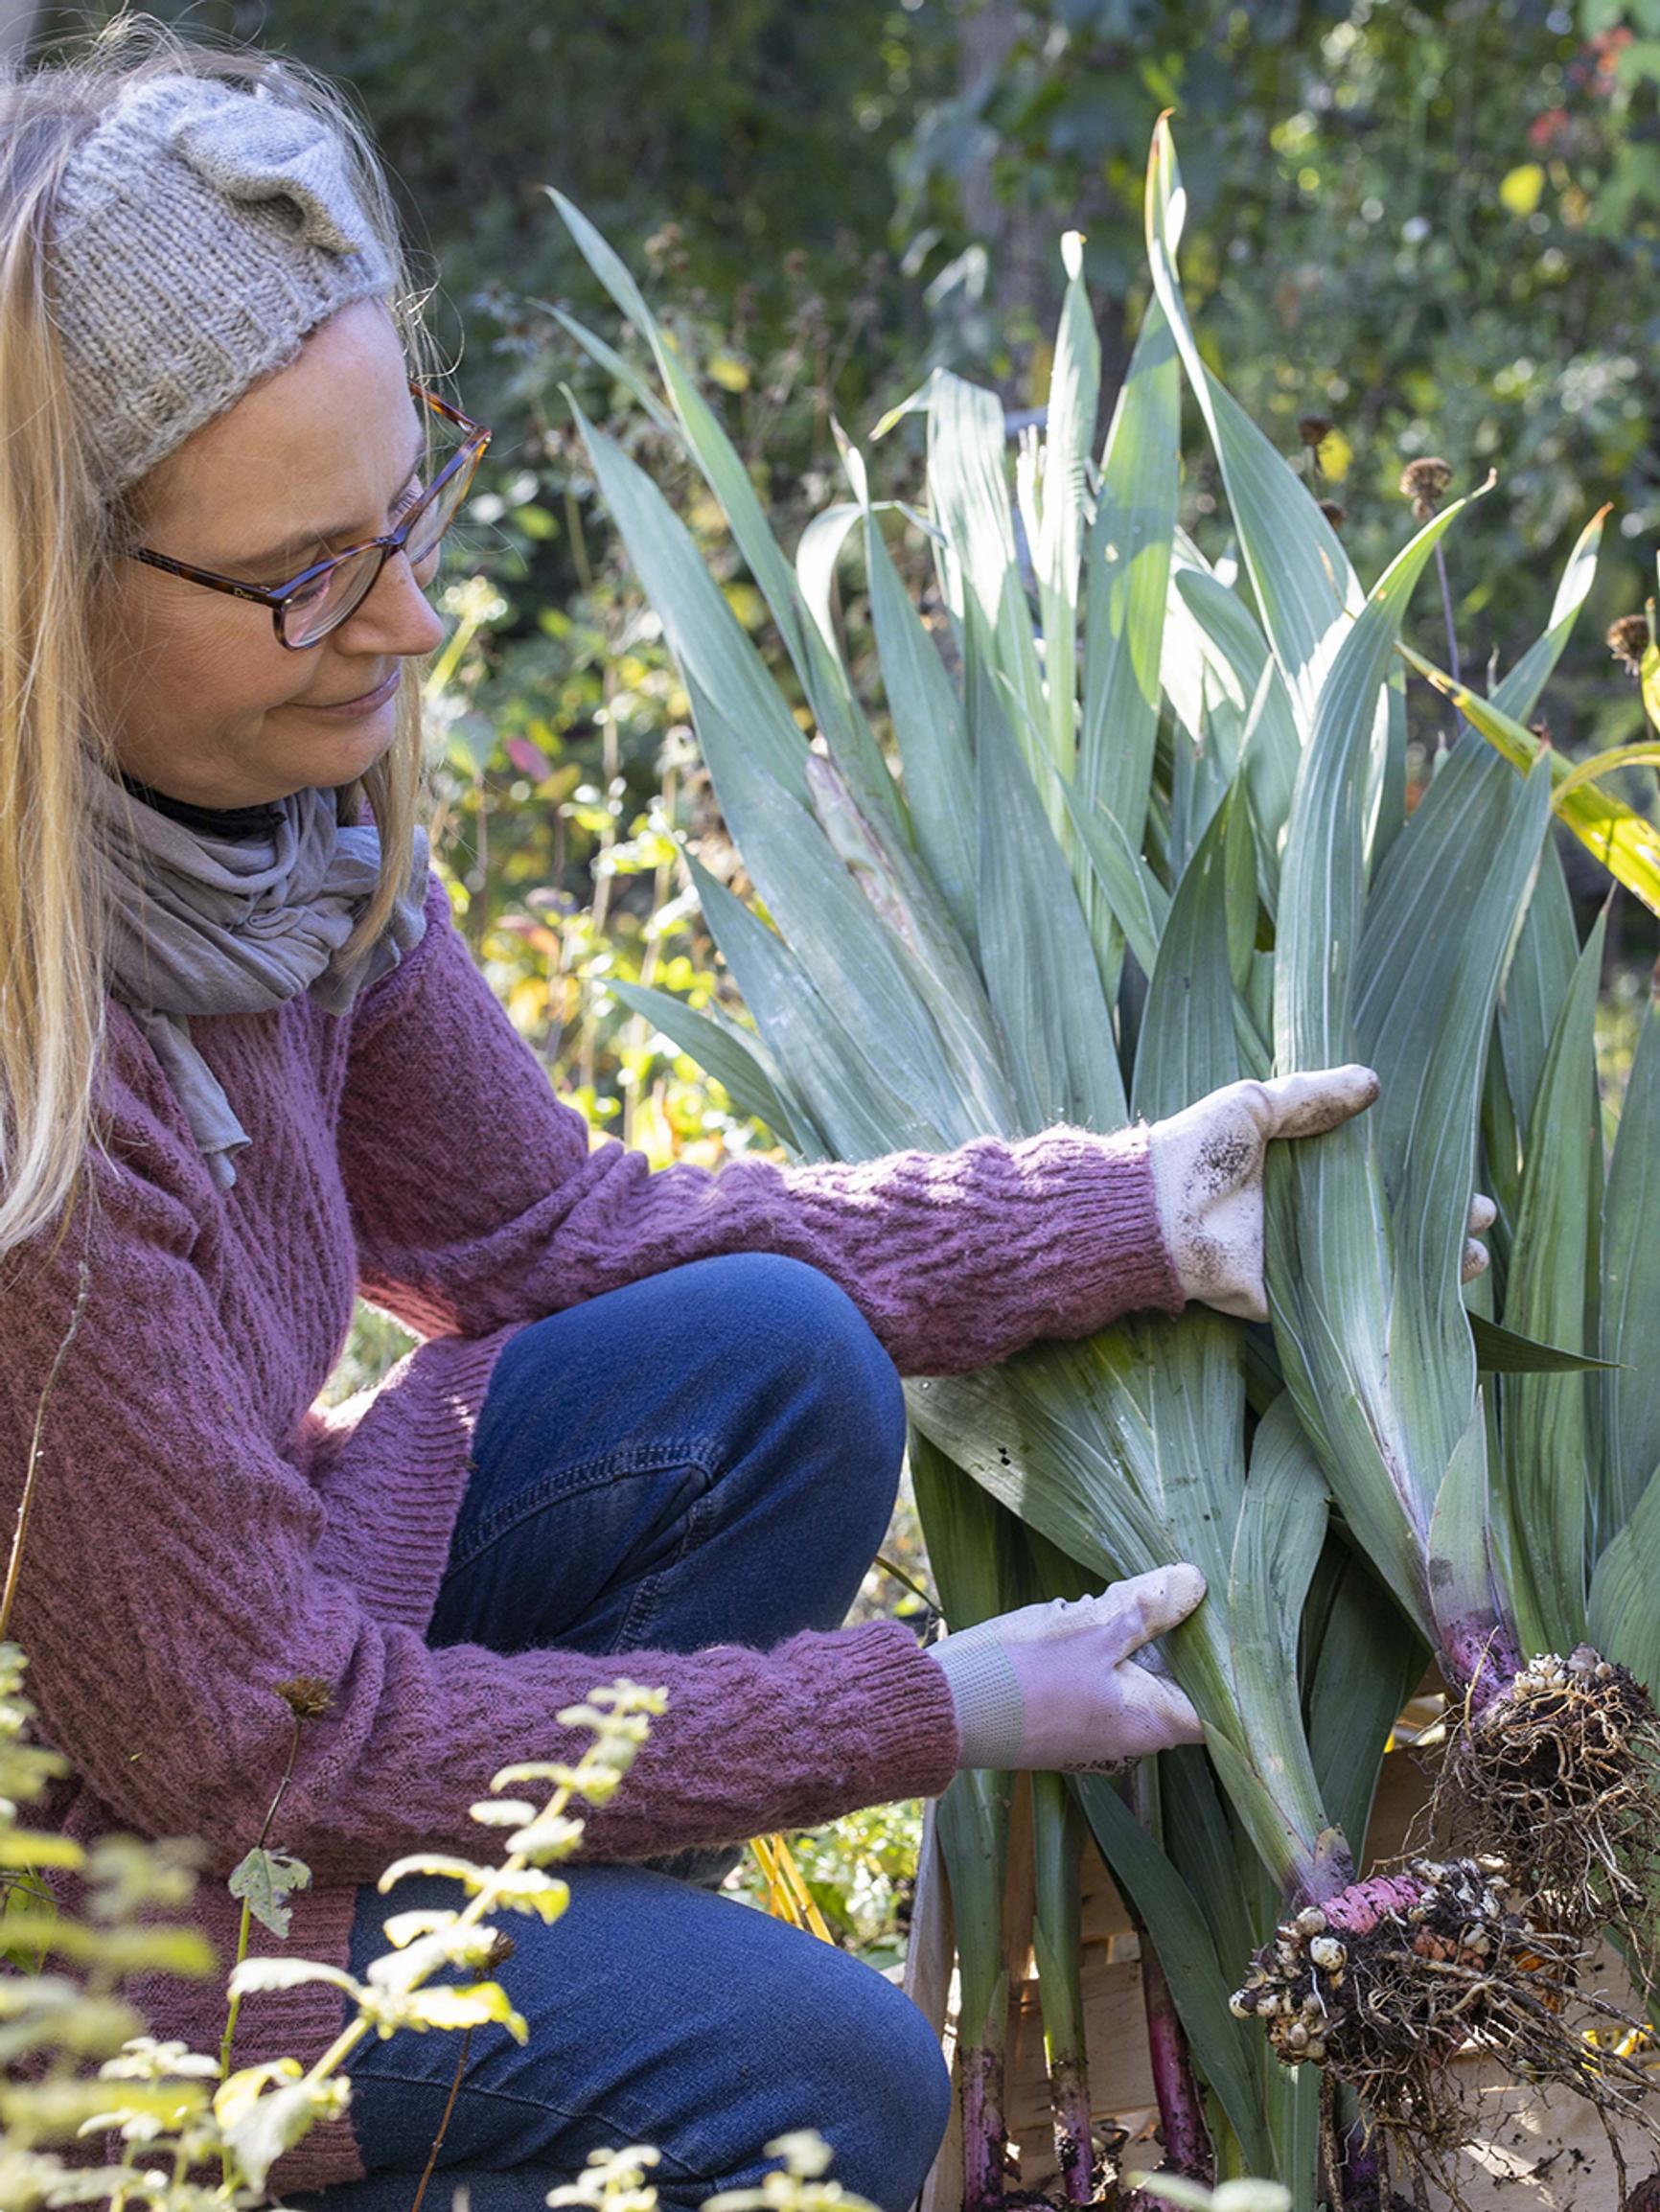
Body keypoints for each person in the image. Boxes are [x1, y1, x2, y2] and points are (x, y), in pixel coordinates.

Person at [0, 23, 1487, 2212]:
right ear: (44, 582)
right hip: (82, 1933)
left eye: (407, 507)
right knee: (818, 2079)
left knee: (763, 1369)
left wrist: (1127, 1212)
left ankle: (518, 2049)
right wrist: (917, 1706)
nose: (407, 620)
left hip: (219, 1700)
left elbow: (543, 1229)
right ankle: (430, 2112)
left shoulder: (274, 836)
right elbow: (253, 1744)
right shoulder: (38, 1096)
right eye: (310, 569)